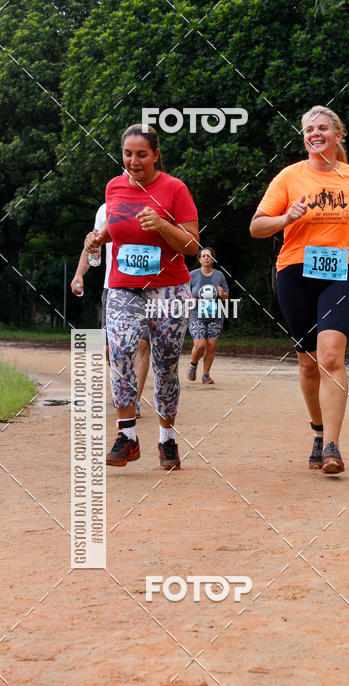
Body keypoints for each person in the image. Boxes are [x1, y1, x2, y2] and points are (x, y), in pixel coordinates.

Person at [250, 105, 349, 474]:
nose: (315, 134)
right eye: (309, 130)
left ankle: (332, 445)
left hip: (343, 270)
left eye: (322, 128)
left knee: (330, 357)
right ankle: (317, 431)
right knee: (308, 362)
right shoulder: (289, 177)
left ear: (338, 134)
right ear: (304, 138)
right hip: (295, 271)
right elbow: (257, 227)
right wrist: (286, 218)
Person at [84, 123, 199, 470]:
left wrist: (162, 225)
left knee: (166, 365)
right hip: (123, 286)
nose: (133, 161)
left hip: (169, 288)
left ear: (156, 155)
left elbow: (192, 245)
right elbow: (117, 227)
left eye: (141, 154)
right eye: (127, 154)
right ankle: (127, 436)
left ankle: (167, 439)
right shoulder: (114, 187)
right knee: (119, 352)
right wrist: (98, 237)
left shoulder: (175, 188)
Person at [71, 203, 150, 417]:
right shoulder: (106, 209)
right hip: (114, 286)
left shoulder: (151, 201)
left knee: (142, 344)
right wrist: (79, 274)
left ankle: (133, 401)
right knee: (111, 349)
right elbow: (93, 245)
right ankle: (124, 383)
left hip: (148, 286)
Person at [186, 246, 229, 384]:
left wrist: (222, 294)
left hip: (215, 315)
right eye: (203, 256)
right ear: (199, 259)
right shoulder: (192, 275)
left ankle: (206, 375)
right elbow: (184, 292)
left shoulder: (219, 275)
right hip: (196, 314)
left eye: (208, 256)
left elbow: (226, 296)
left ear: (213, 259)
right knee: (200, 345)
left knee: (211, 345)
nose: (206, 258)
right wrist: (189, 299)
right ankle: (193, 365)